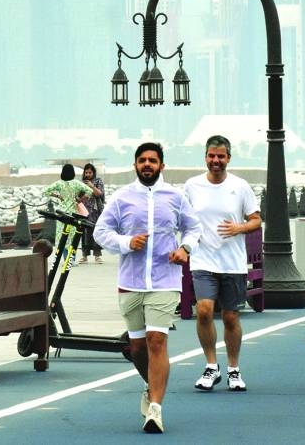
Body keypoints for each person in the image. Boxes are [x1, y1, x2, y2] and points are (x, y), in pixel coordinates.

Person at [94, 142, 200, 434]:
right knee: (138, 347)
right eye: (142, 160)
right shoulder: (121, 198)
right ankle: (150, 382)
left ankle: (155, 409)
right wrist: (127, 243)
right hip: (130, 281)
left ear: (162, 166)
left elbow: (194, 227)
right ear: (135, 165)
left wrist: (185, 248)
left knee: (156, 341)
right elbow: (100, 232)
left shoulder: (176, 197)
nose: (147, 165)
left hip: (165, 279)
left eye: (152, 160)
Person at [183, 135, 260, 392]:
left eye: (221, 157)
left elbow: (256, 220)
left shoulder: (240, 186)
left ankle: (234, 369)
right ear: (205, 157)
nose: (216, 161)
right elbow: (183, 219)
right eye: (211, 156)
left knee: (230, 317)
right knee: (204, 310)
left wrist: (239, 227)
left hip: (232, 263)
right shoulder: (192, 186)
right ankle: (211, 366)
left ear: (228, 158)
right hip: (203, 259)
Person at [43, 164, 95, 265]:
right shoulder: (76, 183)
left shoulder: (59, 183)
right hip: (73, 213)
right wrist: (80, 198)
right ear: (73, 172)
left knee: (62, 236)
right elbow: (89, 191)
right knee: (72, 238)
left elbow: (45, 191)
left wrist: (57, 196)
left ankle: (65, 260)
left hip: (62, 213)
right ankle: (71, 260)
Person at [79, 163, 106, 264]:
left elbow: (100, 194)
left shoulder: (98, 181)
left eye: (90, 172)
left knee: (96, 232)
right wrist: (84, 196)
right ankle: (84, 256)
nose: (88, 174)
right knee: (84, 233)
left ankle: (97, 256)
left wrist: (92, 186)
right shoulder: (81, 183)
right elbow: (79, 198)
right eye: (86, 172)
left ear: (93, 173)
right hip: (84, 212)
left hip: (96, 212)